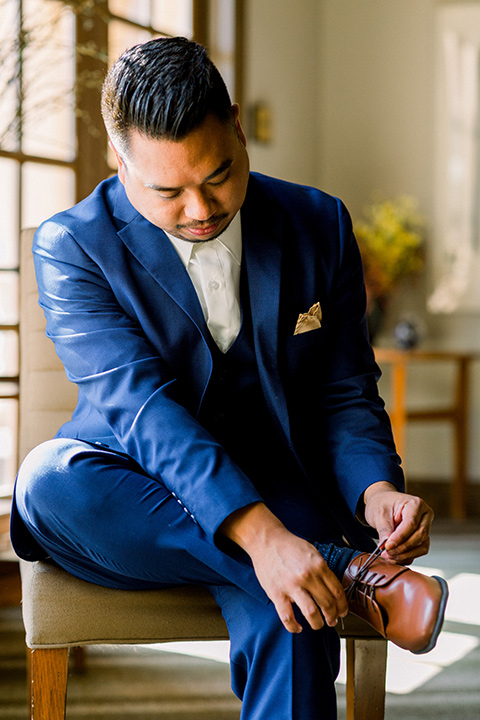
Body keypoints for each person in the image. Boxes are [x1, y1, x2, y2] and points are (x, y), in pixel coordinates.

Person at [11, 37, 448, 719]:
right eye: (168, 190)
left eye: (218, 175)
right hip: (129, 486)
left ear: (239, 128)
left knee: (294, 600)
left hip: (280, 480)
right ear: (118, 165)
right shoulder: (72, 245)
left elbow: (342, 388)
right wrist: (266, 541)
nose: (199, 208)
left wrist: (376, 489)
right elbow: (143, 411)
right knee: (47, 484)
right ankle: (342, 569)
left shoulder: (318, 223)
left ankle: (315, 563)